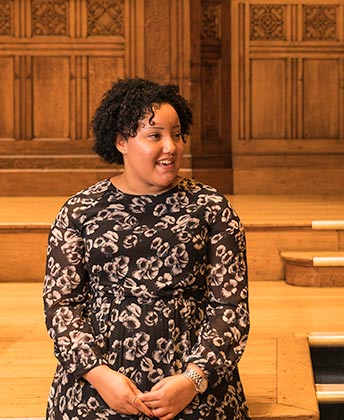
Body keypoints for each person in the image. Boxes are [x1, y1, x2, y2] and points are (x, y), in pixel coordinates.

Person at [42, 78, 250, 420]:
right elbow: (62, 305)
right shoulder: (80, 211)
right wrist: (99, 375)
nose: (171, 146)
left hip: (194, 389)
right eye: (155, 135)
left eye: (177, 134)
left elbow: (230, 308)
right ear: (121, 141)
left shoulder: (212, 209)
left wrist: (192, 380)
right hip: (97, 387)